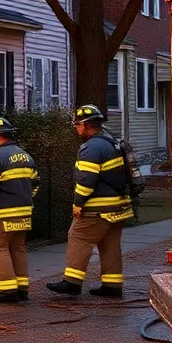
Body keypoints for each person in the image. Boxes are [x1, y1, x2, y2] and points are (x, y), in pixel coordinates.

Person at [47, 105, 133, 299]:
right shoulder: (112, 142)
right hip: (119, 206)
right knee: (110, 244)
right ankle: (112, 286)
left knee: (78, 236)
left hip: (98, 208)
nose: (76, 128)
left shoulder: (91, 147)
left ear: (86, 125)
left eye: (77, 124)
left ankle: (72, 282)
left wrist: (78, 204)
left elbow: (86, 180)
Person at [0, 116, 39, 303]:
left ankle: (7, 290)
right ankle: (22, 289)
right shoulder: (26, 156)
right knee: (18, 248)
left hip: (1, 216)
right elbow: (35, 183)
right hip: (24, 213)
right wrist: (23, 199)